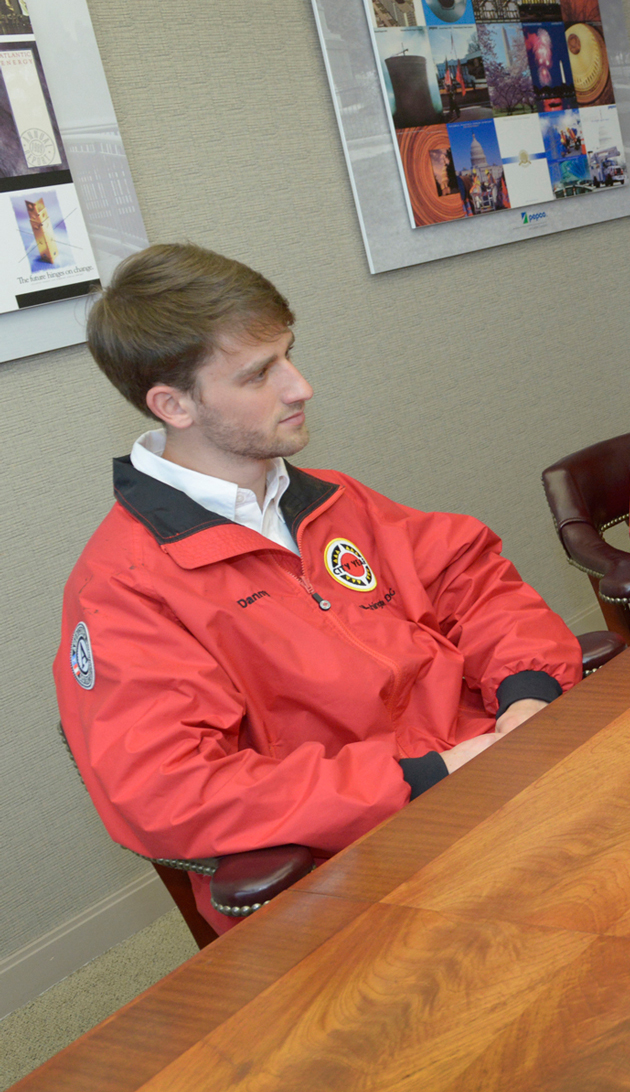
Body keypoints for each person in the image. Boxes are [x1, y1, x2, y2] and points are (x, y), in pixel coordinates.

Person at [56, 243, 581, 932]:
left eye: (289, 355)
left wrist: (527, 694)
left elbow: (473, 580)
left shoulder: (334, 502)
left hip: (494, 774)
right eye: (259, 374)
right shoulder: (124, 588)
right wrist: (422, 777)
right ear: (173, 406)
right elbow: (172, 791)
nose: (300, 387)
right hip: (349, 867)